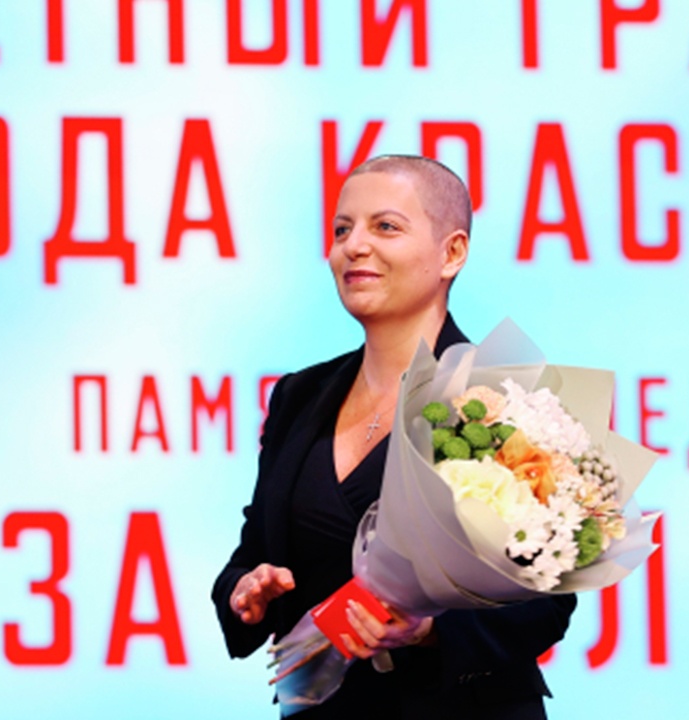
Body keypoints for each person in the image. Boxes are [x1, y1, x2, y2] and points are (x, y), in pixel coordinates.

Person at [211, 155, 576, 719]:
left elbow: (548, 601)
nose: (354, 246)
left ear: (452, 253)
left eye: (385, 226)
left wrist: (429, 631)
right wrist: (246, 590)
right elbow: (253, 553)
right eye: (342, 230)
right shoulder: (299, 397)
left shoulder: (505, 400)